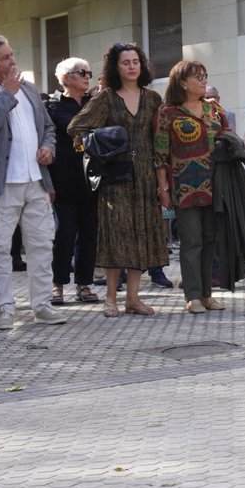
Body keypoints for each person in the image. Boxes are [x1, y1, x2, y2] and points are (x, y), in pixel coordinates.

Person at [0, 34, 66, 329]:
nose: (13, 61)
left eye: (12, 55)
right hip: (1, 185)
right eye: (5, 58)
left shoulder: (30, 88)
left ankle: (42, 305)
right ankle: (5, 309)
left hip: (35, 180)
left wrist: (48, 148)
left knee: (41, 245)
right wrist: (6, 94)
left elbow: (48, 127)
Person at [68, 42, 168, 317]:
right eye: (126, 62)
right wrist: (101, 149)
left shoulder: (152, 99)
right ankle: (110, 297)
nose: (132, 66)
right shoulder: (106, 98)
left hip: (146, 175)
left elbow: (159, 140)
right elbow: (76, 127)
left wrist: (162, 183)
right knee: (117, 236)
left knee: (141, 235)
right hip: (116, 177)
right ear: (116, 67)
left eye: (136, 61)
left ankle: (133, 298)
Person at [154, 61, 229, 314]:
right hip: (184, 186)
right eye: (197, 77)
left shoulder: (214, 109)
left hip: (215, 184)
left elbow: (229, 140)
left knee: (211, 240)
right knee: (191, 241)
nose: (203, 80)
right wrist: (162, 189)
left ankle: (207, 294)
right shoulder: (168, 113)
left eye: (205, 75)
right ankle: (193, 296)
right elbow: (161, 155)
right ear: (182, 83)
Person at [46, 58, 99, 306]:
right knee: (64, 233)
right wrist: (48, 185)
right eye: (81, 73)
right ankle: (57, 285)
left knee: (89, 235)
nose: (87, 76)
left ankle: (84, 284)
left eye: (89, 72)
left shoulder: (94, 104)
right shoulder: (53, 106)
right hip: (63, 181)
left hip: (93, 180)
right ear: (65, 78)